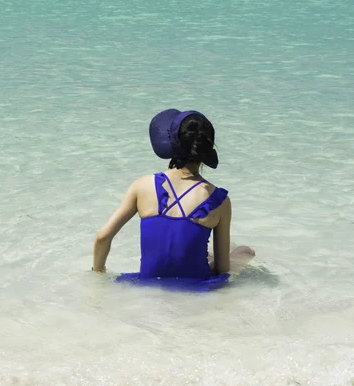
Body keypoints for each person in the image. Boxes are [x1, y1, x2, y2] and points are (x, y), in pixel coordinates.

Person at [92, 108, 255, 291]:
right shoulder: (219, 200)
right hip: (196, 286)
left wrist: (98, 274)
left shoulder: (142, 186)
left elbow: (102, 236)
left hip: (148, 281)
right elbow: (222, 269)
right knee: (245, 251)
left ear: (172, 143)